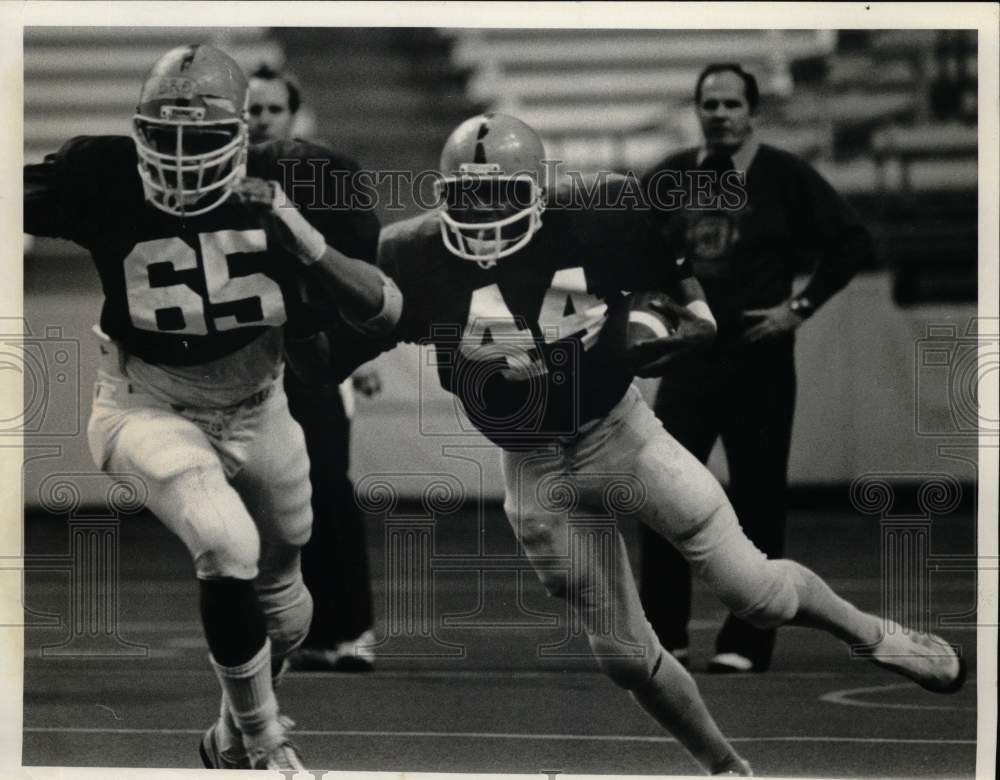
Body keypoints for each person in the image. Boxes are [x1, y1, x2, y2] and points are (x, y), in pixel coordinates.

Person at [314, 112, 963, 777]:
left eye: (500, 193)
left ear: (537, 191)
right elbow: (340, 346)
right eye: (467, 194)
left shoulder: (599, 215)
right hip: (534, 466)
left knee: (754, 593)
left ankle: (874, 636)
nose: (482, 212)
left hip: (618, 431)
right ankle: (726, 768)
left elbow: (686, 303)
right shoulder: (411, 254)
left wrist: (684, 324)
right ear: (443, 194)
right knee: (624, 656)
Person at [23, 44, 400, 770]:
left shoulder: (299, 180)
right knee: (226, 544)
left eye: (199, 139)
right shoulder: (99, 174)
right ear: (137, 132)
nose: (180, 158)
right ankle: (264, 745)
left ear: (244, 138)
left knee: (290, 616)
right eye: (162, 138)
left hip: (260, 407)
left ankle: (227, 739)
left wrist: (302, 234)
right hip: (146, 403)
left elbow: (382, 310)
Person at [639, 63, 874, 674]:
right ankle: (666, 638)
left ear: (753, 112)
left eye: (730, 104)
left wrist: (798, 309)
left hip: (759, 364)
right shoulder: (668, 176)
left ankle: (747, 641)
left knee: (758, 501)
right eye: (709, 104)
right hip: (687, 361)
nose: (719, 114)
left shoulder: (785, 175)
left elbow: (852, 240)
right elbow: (626, 245)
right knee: (660, 494)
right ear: (696, 110)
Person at [247, 63, 379, 671]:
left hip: (314, 355)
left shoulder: (328, 173)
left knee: (326, 486)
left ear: (294, 115)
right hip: (243, 361)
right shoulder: (215, 176)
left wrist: (356, 353)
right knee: (257, 501)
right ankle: (285, 631)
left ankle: (350, 628)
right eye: (251, 109)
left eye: (272, 109)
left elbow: (359, 266)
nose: (261, 119)